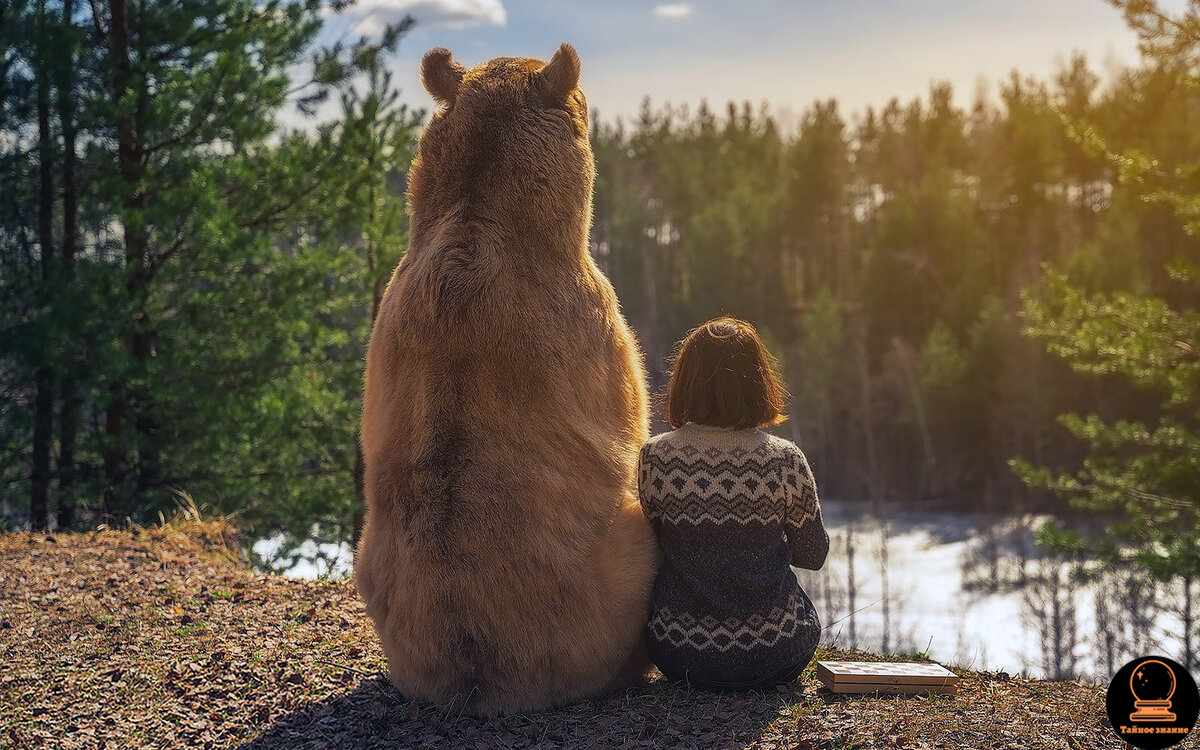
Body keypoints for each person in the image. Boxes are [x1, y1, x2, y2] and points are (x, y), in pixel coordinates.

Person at [638, 316, 830, 691]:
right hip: (777, 650)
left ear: (685, 383)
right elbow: (813, 554)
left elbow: (652, 546)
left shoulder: (655, 458)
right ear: (758, 383)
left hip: (678, 651)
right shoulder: (784, 460)